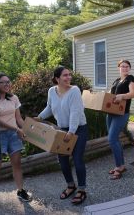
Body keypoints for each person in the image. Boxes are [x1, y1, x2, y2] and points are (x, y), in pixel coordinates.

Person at [38, 66, 88, 205]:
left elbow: (75, 112)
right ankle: (71, 185)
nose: (68, 78)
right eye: (65, 75)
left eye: (69, 75)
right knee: (63, 160)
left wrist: (71, 132)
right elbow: (49, 107)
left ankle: (82, 189)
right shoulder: (51, 91)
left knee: (77, 159)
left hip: (78, 129)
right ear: (57, 78)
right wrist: (39, 118)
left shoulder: (74, 91)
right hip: (62, 129)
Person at [0, 73, 32, 202]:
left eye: (8, 82)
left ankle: (20, 191)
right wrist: (17, 129)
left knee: (17, 163)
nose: (7, 84)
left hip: (13, 134)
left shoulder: (13, 98)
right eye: (3, 82)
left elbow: (18, 118)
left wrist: (26, 130)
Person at [107, 59, 134, 180]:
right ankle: (121, 165)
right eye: (122, 66)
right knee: (114, 139)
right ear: (119, 67)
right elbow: (110, 94)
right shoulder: (117, 80)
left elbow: (132, 93)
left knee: (112, 139)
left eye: (127, 66)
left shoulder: (130, 79)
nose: (124, 68)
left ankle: (119, 167)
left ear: (129, 68)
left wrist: (122, 96)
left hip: (122, 113)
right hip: (110, 113)